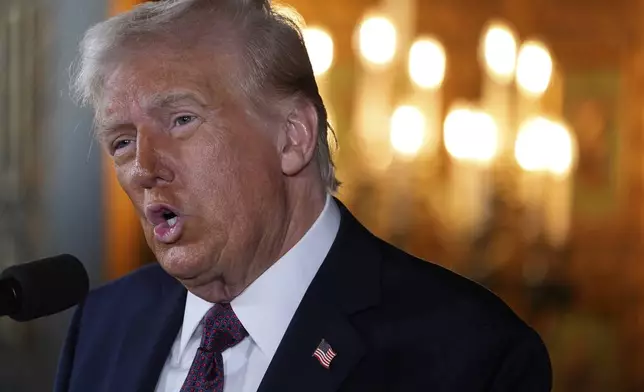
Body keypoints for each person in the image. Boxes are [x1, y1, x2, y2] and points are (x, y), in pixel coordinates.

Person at [54, 0, 552, 391]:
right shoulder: (103, 324)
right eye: (121, 141)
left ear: (292, 137)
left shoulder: (472, 354)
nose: (143, 167)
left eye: (182, 120)